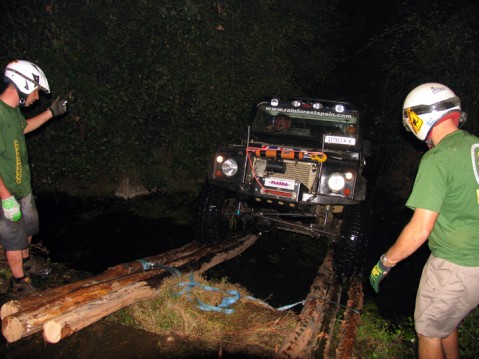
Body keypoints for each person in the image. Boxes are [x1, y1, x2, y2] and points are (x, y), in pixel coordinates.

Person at [369, 83, 479, 358]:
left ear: (420, 118)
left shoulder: (438, 159)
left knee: (428, 332)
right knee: (446, 323)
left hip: (454, 266)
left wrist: (385, 262)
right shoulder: (474, 145)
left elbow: (419, 228)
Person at [0, 59, 67, 296]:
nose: (37, 98)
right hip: (5, 190)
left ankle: (27, 263)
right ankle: (19, 283)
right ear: (23, 84)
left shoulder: (12, 111)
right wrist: (6, 197)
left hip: (22, 185)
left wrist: (51, 113)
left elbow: (24, 128)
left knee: (29, 227)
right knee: (13, 240)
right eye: (37, 92)